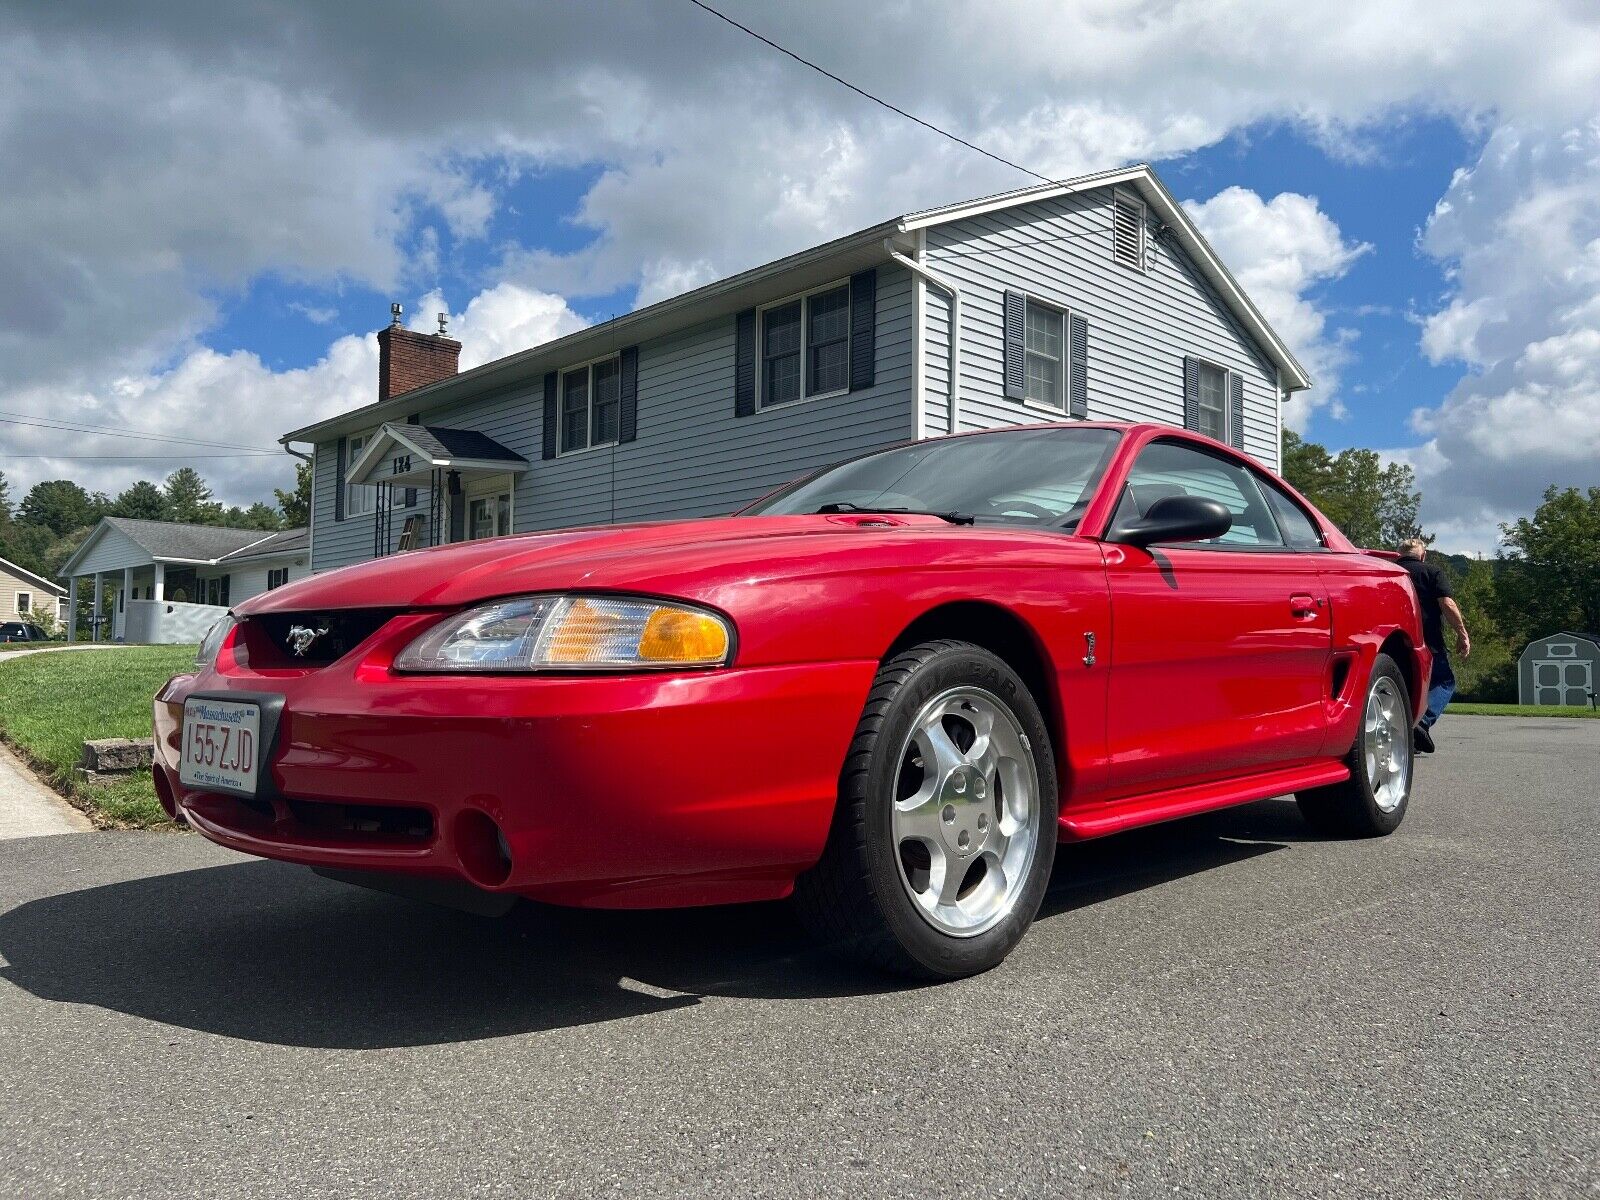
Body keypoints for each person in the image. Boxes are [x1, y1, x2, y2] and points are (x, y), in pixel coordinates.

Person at [1396, 538, 1470, 753]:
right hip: (1428, 641)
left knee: (1405, 689)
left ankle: (1405, 738)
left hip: (1394, 643)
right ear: (1423, 555)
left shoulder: (1390, 572)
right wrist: (1462, 633)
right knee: (1444, 681)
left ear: (1398, 554)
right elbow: (1446, 603)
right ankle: (1423, 722)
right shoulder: (1431, 572)